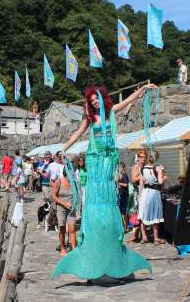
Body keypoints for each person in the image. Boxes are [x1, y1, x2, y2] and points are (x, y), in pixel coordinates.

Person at [53, 84, 154, 282]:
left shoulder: (111, 113)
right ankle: (92, 249)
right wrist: (64, 148)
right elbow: (78, 133)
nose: (95, 102)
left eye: (96, 99)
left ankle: (112, 253)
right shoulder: (90, 119)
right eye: (91, 101)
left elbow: (129, 100)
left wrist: (143, 89)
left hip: (109, 159)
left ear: (102, 97)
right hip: (94, 158)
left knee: (108, 201)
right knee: (95, 199)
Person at [132, 149, 166, 244]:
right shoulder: (158, 167)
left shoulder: (143, 169)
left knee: (143, 215)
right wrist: (164, 178)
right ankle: (155, 238)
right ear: (157, 158)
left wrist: (140, 195)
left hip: (145, 193)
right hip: (154, 193)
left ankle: (144, 237)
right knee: (155, 214)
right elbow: (160, 182)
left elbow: (142, 183)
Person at [52, 167, 77, 256]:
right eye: (72, 172)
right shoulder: (58, 182)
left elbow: (77, 194)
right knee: (62, 229)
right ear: (66, 173)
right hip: (61, 207)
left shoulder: (74, 183)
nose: (73, 174)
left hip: (71, 208)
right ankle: (62, 249)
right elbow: (53, 196)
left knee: (72, 229)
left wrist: (76, 205)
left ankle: (74, 250)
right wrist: (65, 203)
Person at [117, 162, 130, 232]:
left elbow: (126, 184)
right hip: (122, 195)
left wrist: (119, 183)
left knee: (123, 213)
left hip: (124, 196)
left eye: (120, 168)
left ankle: (125, 228)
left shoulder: (125, 175)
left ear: (123, 168)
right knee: (123, 213)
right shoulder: (121, 175)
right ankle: (125, 227)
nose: (119, 170)